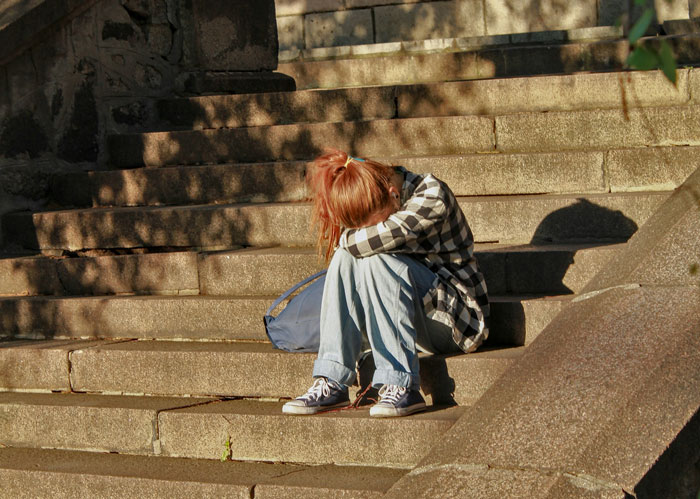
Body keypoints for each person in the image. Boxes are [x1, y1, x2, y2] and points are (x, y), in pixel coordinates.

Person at [282, 150, 489, 418]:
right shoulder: (383, 195)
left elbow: (360, 242)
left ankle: (401, 385)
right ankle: (332, 378)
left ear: (393, 193)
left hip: (457, 322)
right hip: (413, 319)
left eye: (374, 223)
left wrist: (347, 239)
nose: (367, 231)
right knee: (351, 257)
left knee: (371, 256)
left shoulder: (431, 195)